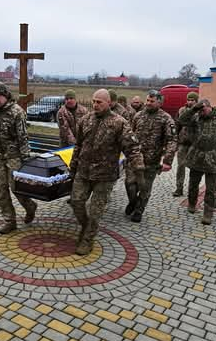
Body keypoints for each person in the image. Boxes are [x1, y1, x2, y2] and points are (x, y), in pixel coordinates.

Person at [70, 89, 144, 255]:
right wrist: (73, 167)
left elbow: (132, 148)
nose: (95, 105)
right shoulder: (85, 120)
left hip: (105, 175)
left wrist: (138, 167)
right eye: (94, 101)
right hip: (83, 171)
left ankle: (88, 239)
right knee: (76, 202)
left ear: (109, 103)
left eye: (99, 102)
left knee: (96, 211)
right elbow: (78, 146)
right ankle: (86, 226)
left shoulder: (119, 123)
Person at [0, 83, 36, 233]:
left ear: (6, 96)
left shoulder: (17, 112)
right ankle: (9, 221)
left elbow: (23, 137)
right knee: (1, 189)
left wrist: (25, 159)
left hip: (15, 157)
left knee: (17, 188)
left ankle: (30, 207)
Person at [179, 98, 216, 225]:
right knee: (193, 184)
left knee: (211, 189)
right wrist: (194, 109)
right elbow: (182, 120)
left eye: (203, 110)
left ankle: (208, 213)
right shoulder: (196, 117)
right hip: (196, 155)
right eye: (199, 111)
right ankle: (192, 203)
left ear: (210, 107)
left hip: (213, 157)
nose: (201, 113)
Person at [127, 90, 177, 223]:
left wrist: (167, 160)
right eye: (147, 100)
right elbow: (130, 135)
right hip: (135, 158)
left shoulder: (166, 118)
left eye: (152, 101)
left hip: (151, 161)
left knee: (144, 187)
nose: (148, 103)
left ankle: (139, 211)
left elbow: (172, 140)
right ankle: (133, 201)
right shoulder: (138, 116)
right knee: (129, 184)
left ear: (159, 102)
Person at [173, 91, 198, 197]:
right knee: (180, 166)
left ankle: (192, 190)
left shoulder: (199, 112)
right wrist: (175, 140)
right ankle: (179, 188)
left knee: (194, 168)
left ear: (196, 101)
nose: (190, 102)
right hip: (183, 142)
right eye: (189, 100)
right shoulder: (181, 110)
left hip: (194, 144)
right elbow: (177, 125)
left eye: (192, 100)